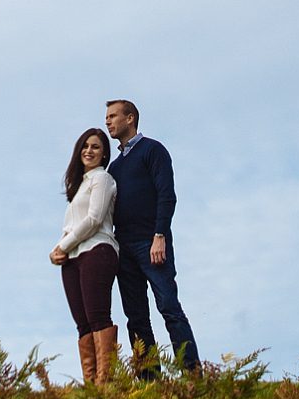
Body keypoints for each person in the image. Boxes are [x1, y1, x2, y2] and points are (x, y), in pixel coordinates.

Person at [103, 99, 199, 375]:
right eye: (106, 117)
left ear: (130, 118)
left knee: (169, 307)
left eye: (113, 116)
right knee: (136, 317)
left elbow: (167, 195)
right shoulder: (114, 168)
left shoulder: (153, 151)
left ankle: (192, 373)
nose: (107, 121)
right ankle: (149, 381)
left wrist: (160, 235)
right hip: (125, 249)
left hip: (151, 242)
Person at [49, 127, 120, 384]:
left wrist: (63, 246)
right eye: (85, 146)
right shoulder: (79, 186)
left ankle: (105, 384)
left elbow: (94, 219)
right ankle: (92, 386)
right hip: (73, 259)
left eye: (96, 147)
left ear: (104, 155)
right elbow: (72, 225)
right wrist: (59, 250)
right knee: (82, 324)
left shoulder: (102, 179)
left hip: (97, 251)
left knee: (98, 317)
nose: (89, 151)